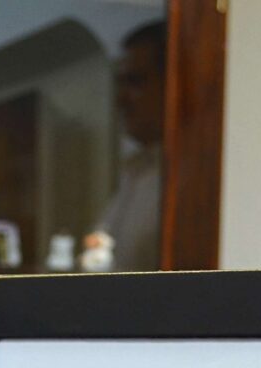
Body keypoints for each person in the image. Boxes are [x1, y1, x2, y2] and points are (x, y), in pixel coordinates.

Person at [95, 20, 166, 272]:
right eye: (121, 83)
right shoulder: (137, 171)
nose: (121, 99)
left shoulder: (192, 180)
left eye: (136, 81)